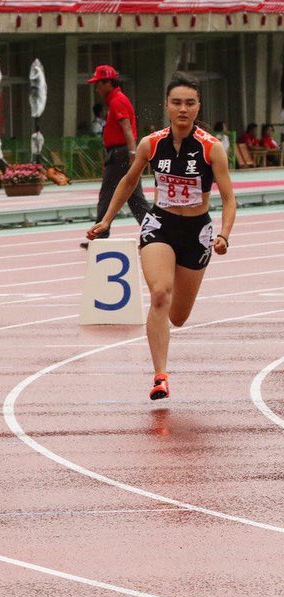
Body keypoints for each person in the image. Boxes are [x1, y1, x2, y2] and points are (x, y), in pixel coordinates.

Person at [87, 72, 235, 401]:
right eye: (176, 103)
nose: (183, 109)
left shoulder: (212, 149)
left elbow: (228, 198)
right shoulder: (151, 144)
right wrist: (106, 220)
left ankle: (164, 328)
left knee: (178, 317)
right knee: (158, 294)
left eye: (190, 103)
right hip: (160, 224)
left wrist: (224, 234)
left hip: (197, 231)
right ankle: (160, 376)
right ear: (167, 106)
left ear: (198, 107)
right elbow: (127, 181)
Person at [80, 65, 150, 249]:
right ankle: (154, 233)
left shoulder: (117, 101)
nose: (97, 89)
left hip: (121, 153)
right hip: (122, 153)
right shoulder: (116, 100)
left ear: (108, 83)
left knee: (107, 195)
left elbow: (126, 128)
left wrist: (133, 153)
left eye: (99, 84)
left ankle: (100, 236)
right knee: (135, 198)